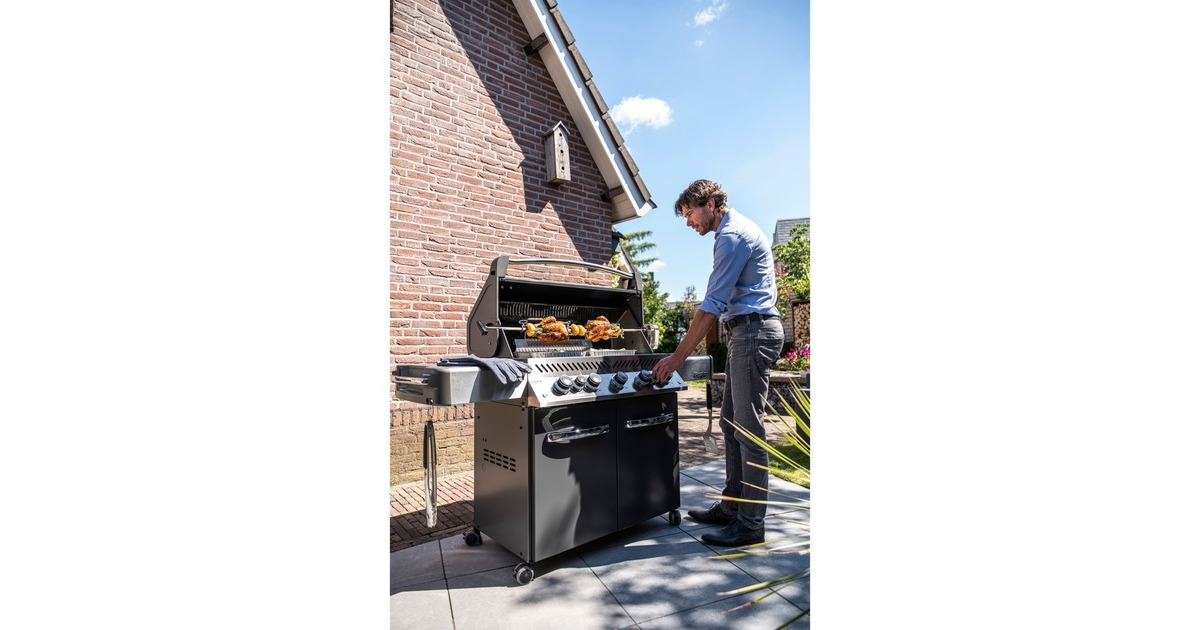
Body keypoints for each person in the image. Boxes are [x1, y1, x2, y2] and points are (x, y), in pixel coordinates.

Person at [651, 179, 784, 547]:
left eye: (690, 213)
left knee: (748, 431)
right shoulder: (730, 232)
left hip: (754, 332)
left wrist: (677, 358)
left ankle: (751, 524)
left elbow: (711, 305)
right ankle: (732, 506)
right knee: (729, 424)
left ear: (710, 204)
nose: (688, 222)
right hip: (746, 332)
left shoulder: (732, 236)